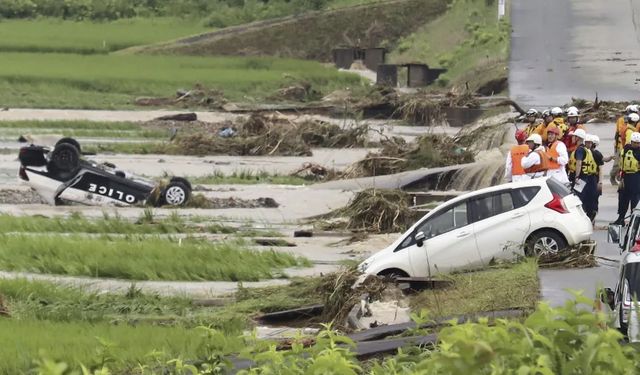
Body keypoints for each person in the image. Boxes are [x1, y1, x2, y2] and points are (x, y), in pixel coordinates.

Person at [568, 129, 599, 221]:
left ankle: (580, 218)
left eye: (574, 136)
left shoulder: (580, 150)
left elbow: (579, 163)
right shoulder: (586, 149)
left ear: (578, 138)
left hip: (580, 178)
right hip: (586, 177)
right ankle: (589, 214)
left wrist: (577, 177)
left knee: (577, 198)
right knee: (584, 197)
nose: (572, 138)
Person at [612, 132, 640, 225]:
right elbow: (622, 162)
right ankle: (621, 218)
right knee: (622, 197)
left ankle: (634, 219)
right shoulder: (626, 149)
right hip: (625, 176)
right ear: (631, 141)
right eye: (635, 142)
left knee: (635, 198)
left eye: (638, 143)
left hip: (636, 176)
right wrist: (620, 174)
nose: (636, 144)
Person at [612, 105, 639, 184]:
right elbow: (628, 143)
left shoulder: (628, 128)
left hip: (622, 147)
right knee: (619, 164)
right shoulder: (629, 129)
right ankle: (615, 177)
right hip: (622, 147)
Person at [586, 134, 605, 223]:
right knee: (591, 199)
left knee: (593, 199)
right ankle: (590, 217)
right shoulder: (585, 152)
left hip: (594, 179)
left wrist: (600, 182)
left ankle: (592, 217)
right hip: (590, 178)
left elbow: (601, 168)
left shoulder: (596, 154)